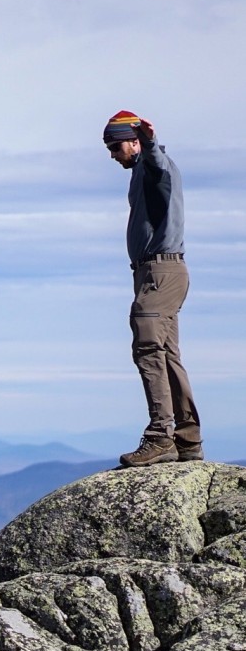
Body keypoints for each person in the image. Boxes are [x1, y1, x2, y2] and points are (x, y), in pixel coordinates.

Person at [103, 110, 203, 467]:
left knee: (147, 348)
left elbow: (159, 165)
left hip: (160, 272)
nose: (114, 156)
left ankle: (161, 437)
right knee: (167, 354)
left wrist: (147, 141)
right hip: (157, 272)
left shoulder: (153, 164)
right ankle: (188, 441)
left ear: (133, 142)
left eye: (116, 147)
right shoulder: (142, 171)